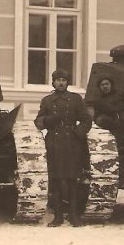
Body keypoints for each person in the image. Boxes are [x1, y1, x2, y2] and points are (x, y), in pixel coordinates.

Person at [35, 69, 93, 227]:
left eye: (64, 80)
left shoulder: (75, 99)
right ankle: (58, 216)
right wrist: (49, 120)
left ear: (68, 82)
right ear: (53, 82)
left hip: (72, 143)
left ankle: (73, 215)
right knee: (56, 179)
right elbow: (38, 122)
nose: (61, 83)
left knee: (72, 178)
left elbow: (87, 120)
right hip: (53, 142)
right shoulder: (47, 100)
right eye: (58, 80)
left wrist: (78, 133)